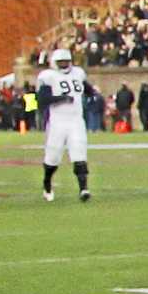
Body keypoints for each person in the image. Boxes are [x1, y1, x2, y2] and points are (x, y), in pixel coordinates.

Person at [36, 47, 92, 203]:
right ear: (54, 63)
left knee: (79, 153)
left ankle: (84, 189)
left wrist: (93, 95)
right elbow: (41, 100)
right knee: (53, 157)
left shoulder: (78, 73)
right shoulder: (48, 76)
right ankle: (47, 182)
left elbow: (87, 89)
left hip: (76, 120)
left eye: (66, 61)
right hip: (57, 122)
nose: (64, 65)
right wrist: (61, 98)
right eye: (61, 62)